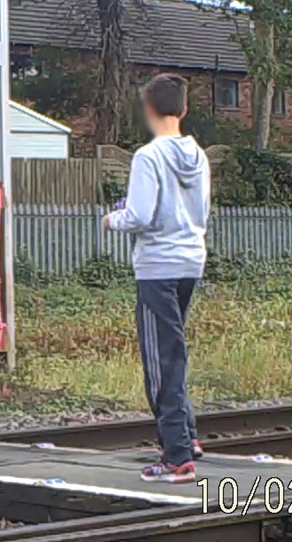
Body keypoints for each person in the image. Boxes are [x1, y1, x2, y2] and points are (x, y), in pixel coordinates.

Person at [104, 73, 210, 484]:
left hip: (158, 267)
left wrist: (112, 219)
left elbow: (141, 216)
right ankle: (187, 435)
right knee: (174, 351)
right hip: (190, 261)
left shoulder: (148, 157)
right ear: (183, 109)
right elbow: (200, 213)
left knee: (160, 361)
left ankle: (177, 457)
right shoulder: (198, 155)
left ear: (148, 109)